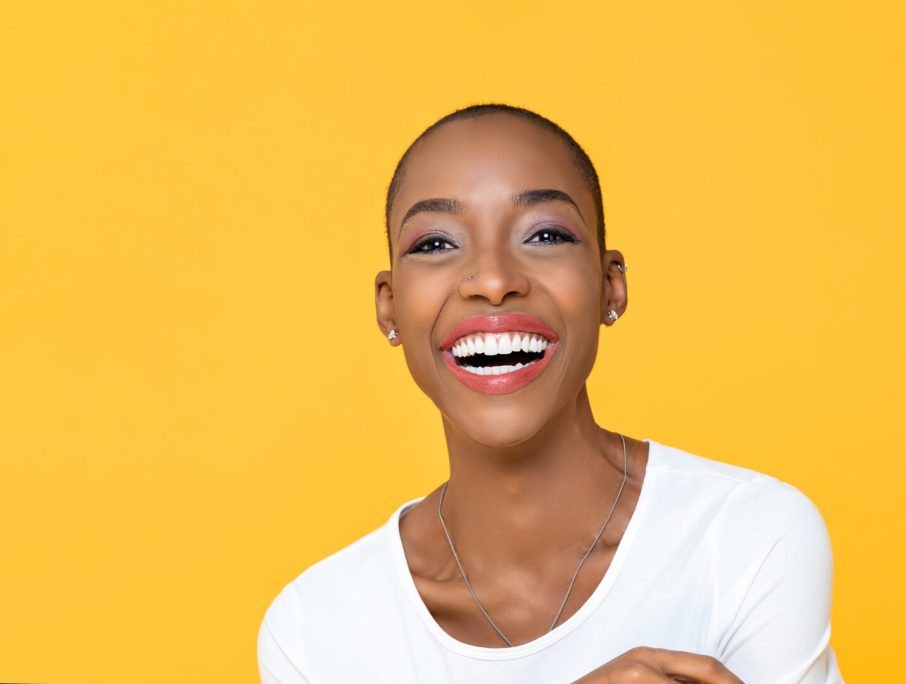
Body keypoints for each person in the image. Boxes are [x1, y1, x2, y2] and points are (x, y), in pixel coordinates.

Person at [258, 104, 843, 683]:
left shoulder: (745, 537)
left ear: (609, 285)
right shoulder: (316, 630)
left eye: (544, 234)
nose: (492, 281)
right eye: (436, 244)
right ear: (389, 306)